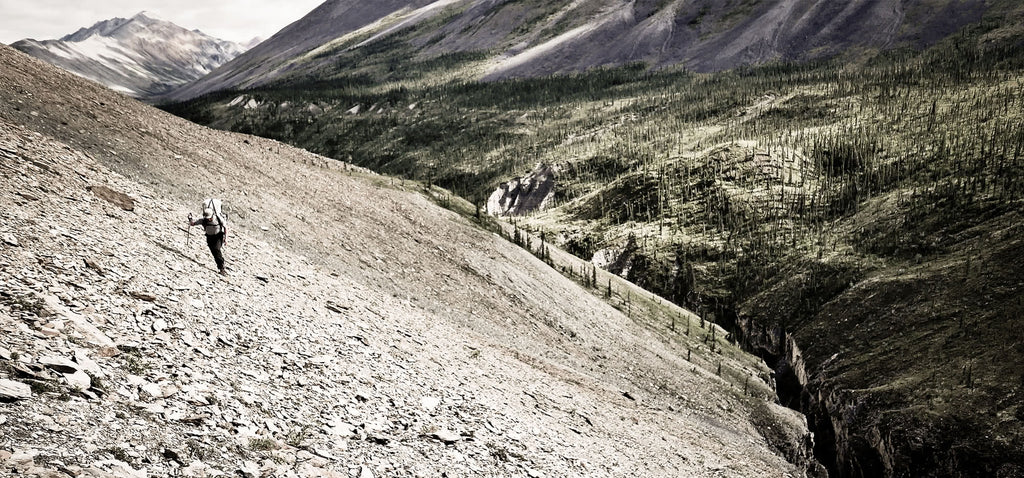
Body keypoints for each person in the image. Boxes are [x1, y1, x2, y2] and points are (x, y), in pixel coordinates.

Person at [189, 199, 227, 275]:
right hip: (209, 237)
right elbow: (193, 223)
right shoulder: (204, 220)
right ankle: (220, 266)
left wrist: (225, 238)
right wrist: (190, 219)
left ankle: (221, 268)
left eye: (209, 218)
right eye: (207, 218)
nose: (209, 219)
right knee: (214, 252)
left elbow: (225, 227)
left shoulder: (219, 219)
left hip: (218, 236)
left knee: (216, 250)